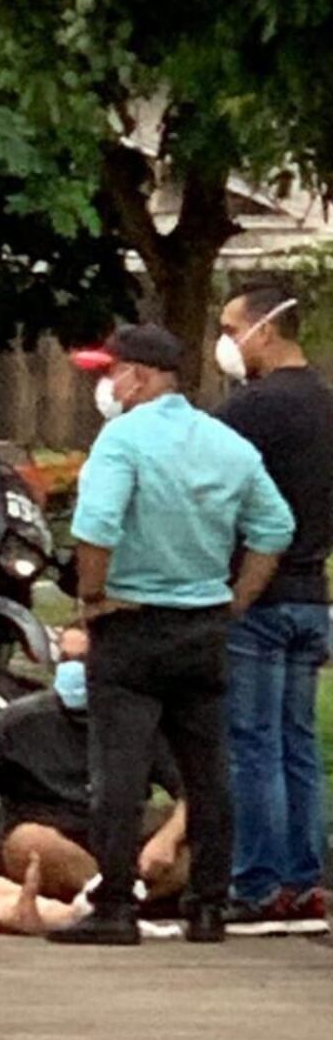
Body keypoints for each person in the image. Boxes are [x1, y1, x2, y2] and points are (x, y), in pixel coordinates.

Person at [50, 323, 294, 947]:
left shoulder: (121, 441)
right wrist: (236, 600)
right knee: (208, 770)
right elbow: (275, 526)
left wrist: (93, 598)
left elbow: (97, 526)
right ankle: (209, 904)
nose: (108, 385)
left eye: (113, 372)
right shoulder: (227, 444)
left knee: (120, 772)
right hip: (204, 624)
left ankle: (114, 905)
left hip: (132, 624)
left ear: (142, 374)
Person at [214, 283, 333, 934]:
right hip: (313, 595)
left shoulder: (248, 412)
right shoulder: (325, 405)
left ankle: (257, 883)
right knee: (299, 746)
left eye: (231, 329)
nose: (225, 344)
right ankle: (305, 880)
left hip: (257, 596)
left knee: (252, 746)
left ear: (264, 329)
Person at [0, 625, 190, 905]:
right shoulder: (18, 722)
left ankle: (119, 894)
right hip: (50, 844)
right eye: (66, 660)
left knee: (202, 837)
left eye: (83, 660)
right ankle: (114, 897)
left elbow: (191, 791)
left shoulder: (138, 721)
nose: (73, 669)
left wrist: (167, 840)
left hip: (122, 841)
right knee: (30, 843)